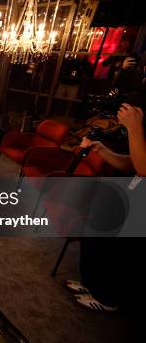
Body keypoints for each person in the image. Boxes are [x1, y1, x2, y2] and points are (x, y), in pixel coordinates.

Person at [68, 103, 145, 312]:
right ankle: (92, 285)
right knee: (94, 232)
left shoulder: (137, 127)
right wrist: (101, 149)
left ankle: (106, 298)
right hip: (131, 189)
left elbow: (143, 168)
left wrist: (134, 127)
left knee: (119, 253)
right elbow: (131, 163)